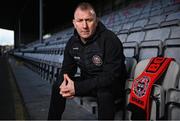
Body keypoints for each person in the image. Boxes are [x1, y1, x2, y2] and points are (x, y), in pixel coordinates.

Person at [48, 2, 127, 120]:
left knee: (104, 93)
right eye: (80, 21)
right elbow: (66, 70)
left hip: (111, 85)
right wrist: (66, 85)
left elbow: (111, 77)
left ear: (96, 21)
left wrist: (77, 88)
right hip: (88, 83)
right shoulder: (72, 42)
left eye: (88, 20)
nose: (84, 26)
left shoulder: (110, 40)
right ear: (74, 23)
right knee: (58, 84)